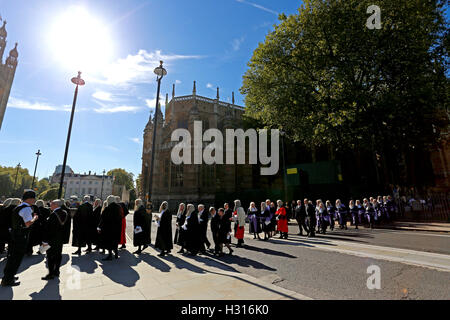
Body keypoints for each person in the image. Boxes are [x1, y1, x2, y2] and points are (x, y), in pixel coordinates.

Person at [1, 191, 39, 287]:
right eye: (34, 198)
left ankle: (8, 276)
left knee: (12, 257)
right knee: (16, 258)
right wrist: (35, 218)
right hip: (21, 236)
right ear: (30, 199)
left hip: (15, 234)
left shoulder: (18, 207)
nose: (35, 200)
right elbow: (28, 223)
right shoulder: (26, 209)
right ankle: (8, 280)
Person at [41, 199, 69, 280]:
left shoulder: (53, 214)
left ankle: (50, 274)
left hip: (51, 239)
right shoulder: (65, 213)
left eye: (52, 203)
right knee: (58, 255)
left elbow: (48, 229)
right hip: (60, 238)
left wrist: (44, 240)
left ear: (56, 205)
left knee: (50, 256)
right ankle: (57, 271)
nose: (50, 204)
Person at [98, 195, 122, 261]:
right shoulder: (118, 207)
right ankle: (116, 254)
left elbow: (103, 219)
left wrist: (99, 227)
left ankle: (110, 255)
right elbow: (120, 217)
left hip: (109, 229)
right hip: (117, 228)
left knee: (109, 242)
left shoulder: (107, 208)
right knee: (115, 241)